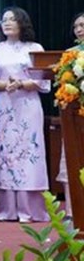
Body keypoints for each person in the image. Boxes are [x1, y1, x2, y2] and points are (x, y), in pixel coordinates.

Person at [0, 7, 50, 223]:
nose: (7, 23)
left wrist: (21, 84)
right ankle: (8, 210)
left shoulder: (35, 48)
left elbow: (44, 80)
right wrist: (6, 85)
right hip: (3, 105)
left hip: (28, 104)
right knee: (5, 153)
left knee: (29, 150)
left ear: (22, 22)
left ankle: (30, 210)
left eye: (12, 19)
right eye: (4, 20)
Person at [58, 11, 84, 217]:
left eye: (82, 25)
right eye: (76, 27)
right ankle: (72, 209)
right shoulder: (70, 54)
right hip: (76, 116)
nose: (79, 29)